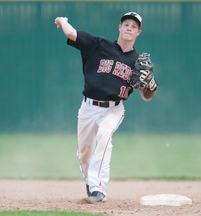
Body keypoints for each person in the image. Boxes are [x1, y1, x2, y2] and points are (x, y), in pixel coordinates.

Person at [54, 12, 157, 202]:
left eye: (134, 26)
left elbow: (146, 97)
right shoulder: (98, 45)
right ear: (119, 27)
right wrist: (63, 21)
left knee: (104, 136)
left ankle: (98, 190)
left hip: (113, 108)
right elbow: (72, 35)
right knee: (84, 153)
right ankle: (90, 182)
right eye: (126, 24)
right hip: (88, 107)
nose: (129, 28)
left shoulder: (137, 62)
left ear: (138, 32)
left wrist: (151, 87)